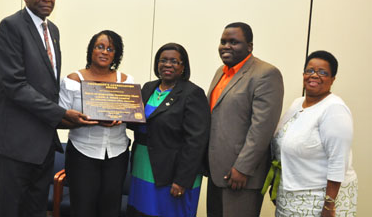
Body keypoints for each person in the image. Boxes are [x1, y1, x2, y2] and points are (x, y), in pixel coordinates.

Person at [0, 0, 95, 217]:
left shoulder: (52, 30)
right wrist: (62, 114)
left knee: (35, 210)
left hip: (43, 140)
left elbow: (47, 86)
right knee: (12, 210)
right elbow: (15, 85)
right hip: (15, 140)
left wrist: (70, 110)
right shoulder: (10, 26)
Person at [207, 22, 284, 217]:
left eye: (234, 42)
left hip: (241, 176)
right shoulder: (221, 72)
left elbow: (262, 128)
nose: (226, 46)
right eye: (223, 41)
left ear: (249, 46)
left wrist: (242, 168)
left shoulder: (265, 74)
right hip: (216, 172)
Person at [126, 43, 210, 217]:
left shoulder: (192, 93)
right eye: (163, 60)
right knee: (141, 212)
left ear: (183, 66)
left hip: (173, 172)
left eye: (174, 61)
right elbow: (137, 121)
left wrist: (182, 180)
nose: (168, 64)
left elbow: (196, 141)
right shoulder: (148, 88)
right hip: (143, 166)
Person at [272, 50, 357, 216]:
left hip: (319, 199)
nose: (314, 76)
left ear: (333, 79)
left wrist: (329, 206)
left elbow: (338, 160)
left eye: (323, 72)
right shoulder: (298, 103)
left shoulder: (334, 109)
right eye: (310, 70)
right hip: (291, 195)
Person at [58, 30, 133, 217]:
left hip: (117, 153)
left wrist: (123, 117)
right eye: (100, 47)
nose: (105, 52)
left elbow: (132, 114)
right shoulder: (73, 80)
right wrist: (83, 122)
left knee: (111, 209)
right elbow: (58, 118)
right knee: (82, 209)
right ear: (91, 51)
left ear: (116, 55)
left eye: (110, 49)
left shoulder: (125, 81)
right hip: (82, 154)